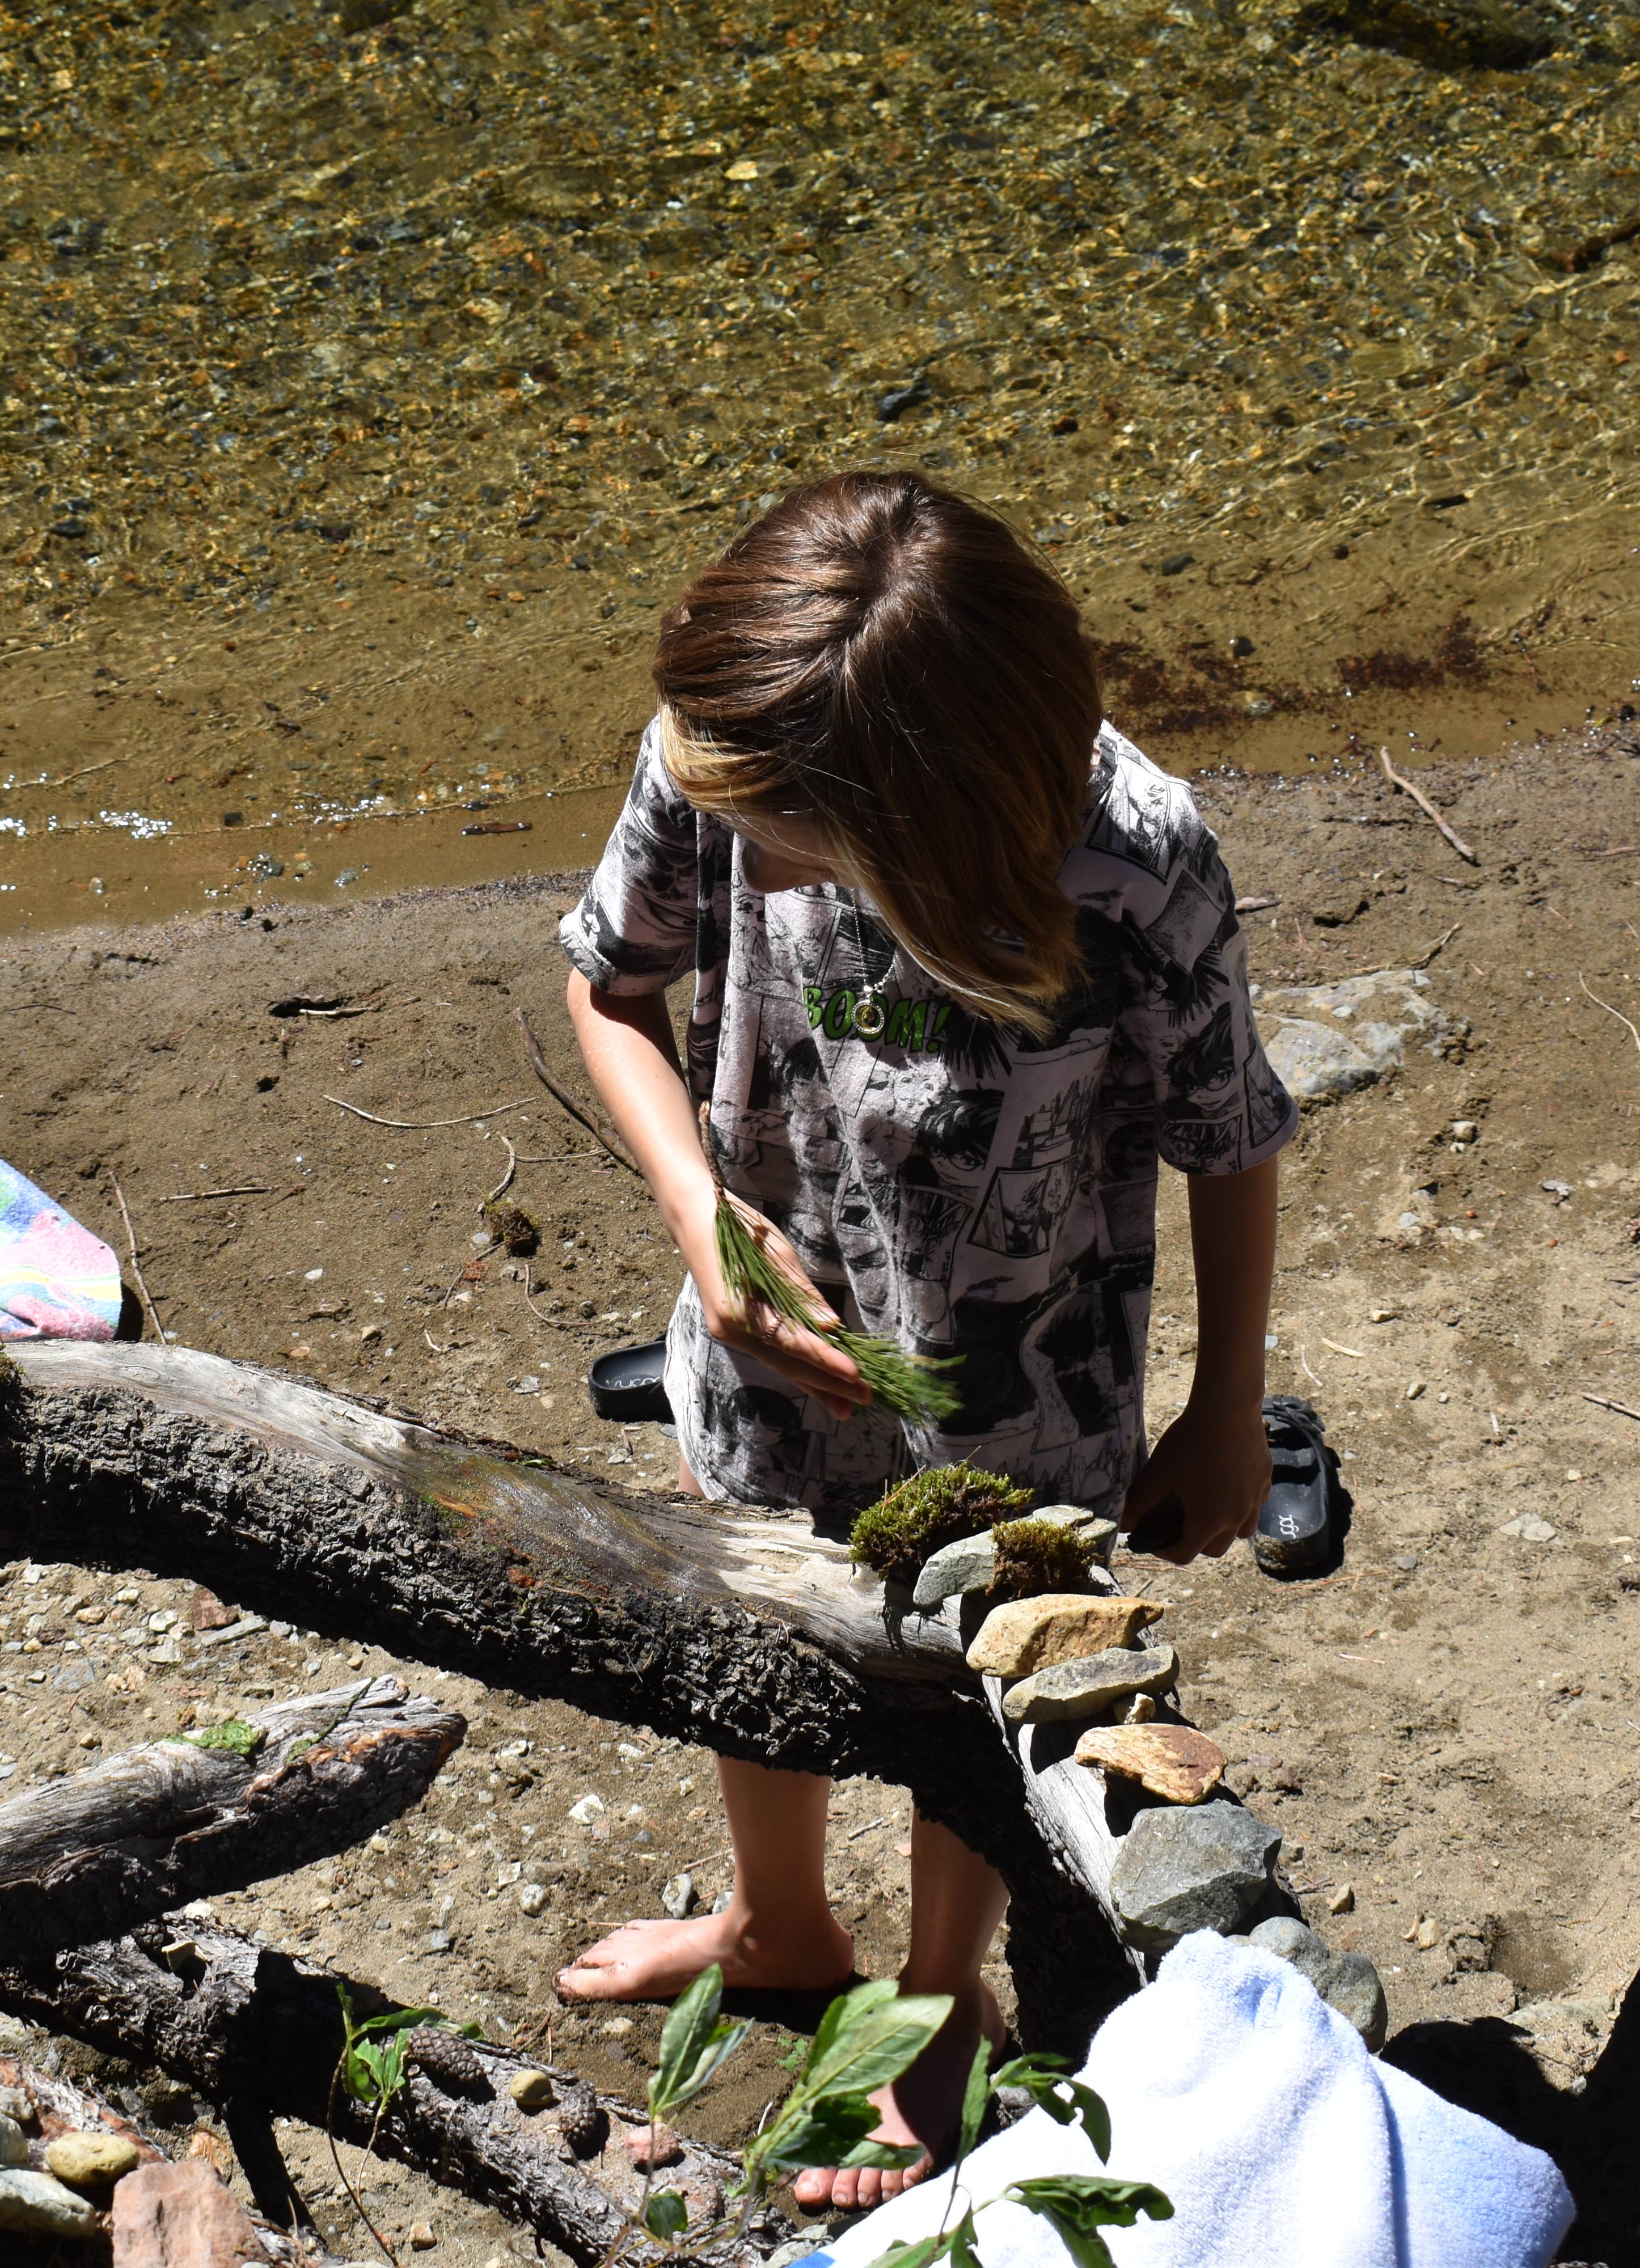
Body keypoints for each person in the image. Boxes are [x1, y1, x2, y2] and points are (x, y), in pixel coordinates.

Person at [552, 472, 1296, 2210]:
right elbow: (611, 985)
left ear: (927, 818)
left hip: (1027, 1377)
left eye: (786, 831)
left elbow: (1231, 1133)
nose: (740, 834)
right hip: (770, 1332)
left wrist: (1228, 1406)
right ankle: (778, 1920)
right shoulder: (728, 752)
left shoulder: (1138, 865)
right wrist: (698, 1216)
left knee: (970, 1690)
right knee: (753, 1630)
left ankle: (938, 1990)